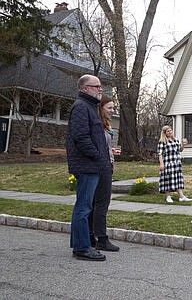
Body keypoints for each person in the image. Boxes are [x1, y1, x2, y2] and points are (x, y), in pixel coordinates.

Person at [66, 74, 111, 261]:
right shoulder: (81, 107)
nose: (100, 89)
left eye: (100, 86)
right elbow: (81, 137)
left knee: (85, 207)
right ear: (84, 88)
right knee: (83, 207)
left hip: (93, 165)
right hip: (87, 166)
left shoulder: (91, 107)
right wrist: (97, 155)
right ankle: (82, 248)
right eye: (96, 86)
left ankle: (81, 244)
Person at [87, 95, 119, 252]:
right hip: (101, 166)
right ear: (100, 108)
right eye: (110, 108)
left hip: (106, 164)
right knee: (101, 203)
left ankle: (91, 236)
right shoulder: (98, 125)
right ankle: (101, 239)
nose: (112, 111)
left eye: (113, 108)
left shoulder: (105, 125)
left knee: (95, 204)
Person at [158, 126, 192, 203]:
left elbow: (180, 150)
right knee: (168, 179)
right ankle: (168, 196)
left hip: (176, 163)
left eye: (170, 130)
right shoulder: (162, 142)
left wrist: (183, 145)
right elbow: (160, 154)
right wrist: (161, 164)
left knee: (177, 179)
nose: (170, 132)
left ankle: (181, 196)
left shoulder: (175, 139)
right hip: (168, 163)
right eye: (168, 131)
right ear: (164, 133)